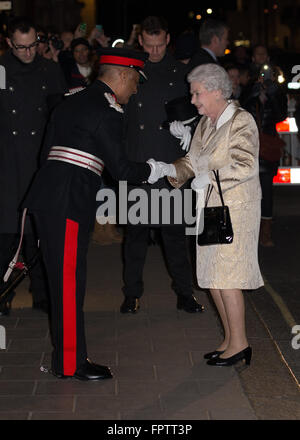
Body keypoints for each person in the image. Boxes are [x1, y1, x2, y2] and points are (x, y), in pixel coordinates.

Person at [23, 47, 168, 381]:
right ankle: (71, 363)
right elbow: (119, 169)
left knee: (61, 282)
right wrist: (154, 169)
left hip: (48, 197)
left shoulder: (70, 100)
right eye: (135, 82)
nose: (135, 90)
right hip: (70, 201)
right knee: (70, 283)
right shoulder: (108, 110)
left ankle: (67, 358)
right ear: (122, 75)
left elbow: (47, 153)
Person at [161, 63, 264, 366]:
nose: (192, 100)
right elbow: (193, 160)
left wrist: (213, 177)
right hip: (209, 208)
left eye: (197, 93)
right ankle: (230, 339)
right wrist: (171, 170)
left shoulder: (241, 121)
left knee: (228, 277)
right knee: (213, 277)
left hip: (235, 209)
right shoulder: (207, 122)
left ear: (217, 91)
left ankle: (241, 343)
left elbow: (247, 165)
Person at [121, 16, 203, 315]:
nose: (154, 52)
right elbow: (120, 119)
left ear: (167, 39)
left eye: (159, 45)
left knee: (175, 236)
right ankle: (131, 294)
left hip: (171, 166)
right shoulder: (130, 71)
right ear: (140, 41)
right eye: (149, 45)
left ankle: (184, 293)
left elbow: (199, 114)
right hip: (139, 164)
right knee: (135, 238)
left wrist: (189, 129)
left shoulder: (182, 73)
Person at [0, 16, 67, 315]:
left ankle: (42, 294)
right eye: (21, 47)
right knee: (6, 234)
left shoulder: (49, 70)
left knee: (39, 235)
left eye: (32, 46)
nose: (28, 53)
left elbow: (61, 117)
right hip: (7, 162)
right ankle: (3, 294)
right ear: (8, 43)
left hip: (40, 161)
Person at [239, 45, 287, 246]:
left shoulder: (276, 86)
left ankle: (265, 233)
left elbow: (281, 115)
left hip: (266, 146)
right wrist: (252, 94)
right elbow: (240, 110)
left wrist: (273, 95)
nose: (260, 58)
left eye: (263, 54)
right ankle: (249, 232)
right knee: (248, 190)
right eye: (256, 53)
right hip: (248, 145)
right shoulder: (247, 82)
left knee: (266, 189)